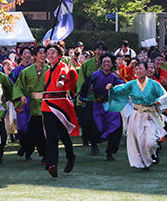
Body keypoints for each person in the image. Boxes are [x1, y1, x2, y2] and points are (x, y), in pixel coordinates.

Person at [106, 61, 167, 170]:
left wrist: (158, 100)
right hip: (136, 114)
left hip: (149, 114)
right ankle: (144, 163)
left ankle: (151, 154)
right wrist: (111, 89)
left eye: (141, 68)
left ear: (146, 70)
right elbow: (120, 90)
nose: (138, 71)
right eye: (137, 69)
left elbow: (163, 94)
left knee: (150, 142)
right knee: (139, 140)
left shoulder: (154, 84)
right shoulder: (132, 84)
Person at [41, 44, 79, 178]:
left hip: (60, 105)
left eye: (53, 53)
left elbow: (64, 74)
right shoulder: (46, 72)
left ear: (59, 56)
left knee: (63, 134)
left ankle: (70, 156)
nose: (49, 55)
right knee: (51, 136)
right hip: (47, 105)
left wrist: (62, 81)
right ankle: (52, 164)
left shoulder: (62, 66)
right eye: (48, 53)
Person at [78, 53, 124, 161]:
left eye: (109, 62)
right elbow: (85, 86)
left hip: (111, 106)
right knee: (98, 127)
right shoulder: (95, 75)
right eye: (104, 62)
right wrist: (82, 98)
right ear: (101, 64)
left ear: (112, 64)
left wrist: (119, 80)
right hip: (98, 105)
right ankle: (94, 144)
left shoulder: (114, 77)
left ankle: (110, 152)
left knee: (116, 127)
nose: (106, 64)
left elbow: (122, 88)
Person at [12, 45, 49, 162]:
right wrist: (21, 96)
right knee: (29, 130)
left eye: (45, 53)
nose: (43, 56)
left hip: (45, 104)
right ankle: (27, 151)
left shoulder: (50, 70)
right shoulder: (26, 72)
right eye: (40, 53)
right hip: (31, 104)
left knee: (43, 131)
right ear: (35, 56)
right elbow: (18, 86)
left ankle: (44, 154)